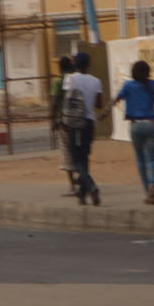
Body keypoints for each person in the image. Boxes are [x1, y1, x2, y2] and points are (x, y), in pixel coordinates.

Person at [116, 59, 154, 206]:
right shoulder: (153, 85)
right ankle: (152, 186)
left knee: (140, 159)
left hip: (135, 126)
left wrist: (106, 110)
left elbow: (117, 98)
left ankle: (147, 192)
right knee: (151, 159)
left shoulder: (128, 86)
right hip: (151, 124)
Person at [59, 53, 106, 205]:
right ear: (88, 64)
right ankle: (82, 195)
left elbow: (66, 100)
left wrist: (63, 120)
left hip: (75, 123)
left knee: (76, 159)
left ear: (75, 64)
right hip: (90, 123)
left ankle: (91, 186)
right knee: (84, 157)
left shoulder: (70, 78)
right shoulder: (96, 81)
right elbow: (99, 104)